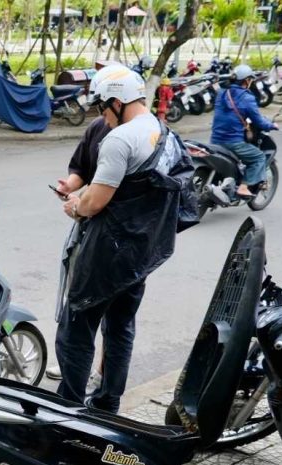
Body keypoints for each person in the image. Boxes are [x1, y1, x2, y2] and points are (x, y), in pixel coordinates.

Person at [56, 63, 188, 411]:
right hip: (140, 253)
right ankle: (107, 405)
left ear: (117, 101)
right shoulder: (161, 132)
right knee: (120, 329)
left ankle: (67, 411)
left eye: (102, 106)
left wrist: (75, 206)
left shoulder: (119, 139)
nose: (101, 116)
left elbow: (95, 201)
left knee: (76, 332)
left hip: (107, 255)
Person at [46, 115, 113, 382]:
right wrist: (70, 185)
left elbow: (96, 202)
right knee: (77, 304)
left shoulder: (130, 138)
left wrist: (78, 206)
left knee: (111, 316)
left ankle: (99, 376)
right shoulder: (98, 126)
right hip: (88, 232)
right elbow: (81, 167)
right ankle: (73, 368)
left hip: (115, 239)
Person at [211, 64, 278, 200]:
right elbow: (259, 121)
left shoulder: (221, 94)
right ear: (246, 80)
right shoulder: (247, 98)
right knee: (258, 157)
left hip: (215, 141)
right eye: (250, 80)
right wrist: (271, 125)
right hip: (233, 142)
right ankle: (243, 186)